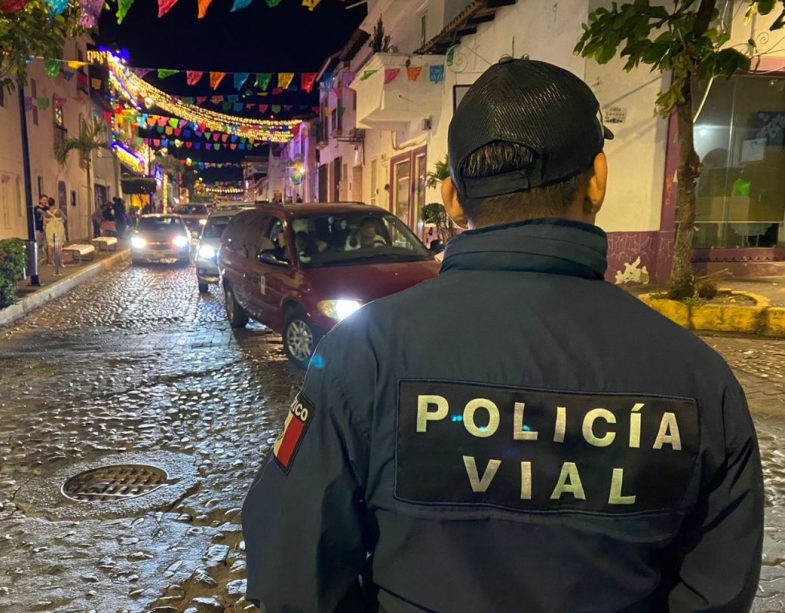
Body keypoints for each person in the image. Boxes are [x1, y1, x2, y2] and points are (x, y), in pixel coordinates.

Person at [242, 58, 763, 612]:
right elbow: (716, 588)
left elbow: (293, 571)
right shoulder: (696, 377)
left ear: (452, 197)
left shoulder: (362, 353)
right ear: (598, 180)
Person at [44, 199, 66, 268]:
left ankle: (50, 262)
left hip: (50, 229)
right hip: (59, 229)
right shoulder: (58, 211)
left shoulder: (46, 213)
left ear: (48, 204)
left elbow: (44, 223)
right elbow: (65, 219)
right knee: (59, 246)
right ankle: (61, 262)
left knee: (50, 246)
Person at [34, 195, 49, 261]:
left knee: (46, 245)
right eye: (43, 200)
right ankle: (38, 258)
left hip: (47, 229)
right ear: (40, 200)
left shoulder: (47, 209)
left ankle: (45, 258)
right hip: (38, 228)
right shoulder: (35, 208)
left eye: (46, 200)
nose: (45, 201)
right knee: (38, 244)